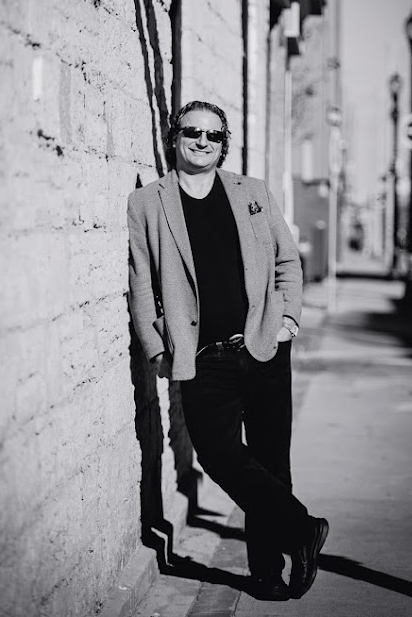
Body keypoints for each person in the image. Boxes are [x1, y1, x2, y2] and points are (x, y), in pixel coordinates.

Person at [128, 100, 328, 601]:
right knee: (218, 455)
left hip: (263, 345)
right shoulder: (148, 202)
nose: (202, 141)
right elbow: (141, 283)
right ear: (175, 137)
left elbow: (287, 260)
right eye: (192, 132)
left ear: (224, 144)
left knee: (270, 461)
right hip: (202, 357)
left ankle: (266, 572)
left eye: (213, 135)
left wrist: (287, 320)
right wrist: (155, 348)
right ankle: (302, 529)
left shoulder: (251, 192)